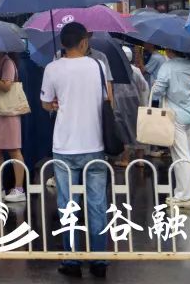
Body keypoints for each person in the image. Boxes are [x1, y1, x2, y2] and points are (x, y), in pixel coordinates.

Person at [40, 22, 110, 279]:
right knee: (97, 204)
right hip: (95, 143)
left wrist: (56, 105)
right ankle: (99, 259)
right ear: (83, 42)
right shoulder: (98, 66)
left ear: (62, 43)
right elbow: (107, 98)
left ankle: (71, 259)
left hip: (64, 145)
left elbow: (45, 103)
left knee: (67, 205)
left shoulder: (52, 68)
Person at [150, 48, 190, 209]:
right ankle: (184, 192)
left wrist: (155, 87)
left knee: (180, 156)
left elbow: (158, 90)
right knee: (187, 155)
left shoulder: (168, 66)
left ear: (171, 50)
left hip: (175, 115)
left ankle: (185, 196)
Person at [0, 51, 26, 202]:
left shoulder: (8, 63)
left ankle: (19, 188)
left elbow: (6, 86)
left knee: (14, 150)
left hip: (8, 113)